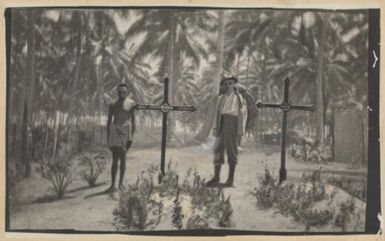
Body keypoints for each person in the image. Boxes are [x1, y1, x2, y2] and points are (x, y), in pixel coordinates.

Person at [206, 77, 247, 187]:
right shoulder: (221, 98)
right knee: (218, 150)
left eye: (230, 83)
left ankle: (230, 180)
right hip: (222, 124)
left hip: (232, 125)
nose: (228, 85)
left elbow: (243, 115)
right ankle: (216, 177)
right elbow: (217, 114)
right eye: (226, 84)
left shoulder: (239, 98)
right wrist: (215, 128)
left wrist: (240, 131)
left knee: (231, 152)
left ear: (234, 85)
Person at [105, 83, 136, 192]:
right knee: (115, 159)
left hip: (125, 132)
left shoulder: (131, 104)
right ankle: (113, 185)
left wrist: (131, 137)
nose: (122, 94)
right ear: (117, 93)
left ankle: (121, 184)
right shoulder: (113, 104)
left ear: (126, 92)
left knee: (123, 157)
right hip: (115, 131)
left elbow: (133, 121)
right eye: (119, 92)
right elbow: (109, 121)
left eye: (124, 92)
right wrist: (108, 137)